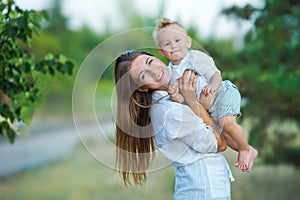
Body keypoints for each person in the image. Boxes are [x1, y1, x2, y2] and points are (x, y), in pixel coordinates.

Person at [114, 50, 234, 199]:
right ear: (142, 88)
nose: (154, 72)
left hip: (201, 185)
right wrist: (192, 101)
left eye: (150, 62)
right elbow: (220, 144)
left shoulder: (172, 94)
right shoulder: (170, 112)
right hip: (205, 187)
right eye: (143, 75)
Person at [153, 17, 258, 172]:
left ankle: (244, 149)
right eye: (168, 44)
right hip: (209, 107)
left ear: (187, 42)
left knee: (228, 124)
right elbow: (185, 100)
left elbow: (216, 75)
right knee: (227, 138)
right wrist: (175, 96)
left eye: (177, 40)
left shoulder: (195, 57)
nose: (174, 46)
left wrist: (212, 86)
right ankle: (250, 149)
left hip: (222, 93)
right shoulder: (171, 73)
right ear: (162, 51)